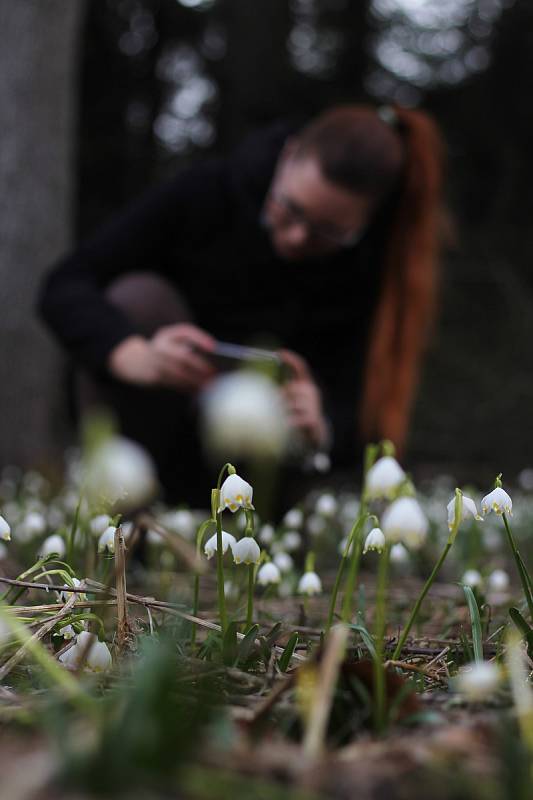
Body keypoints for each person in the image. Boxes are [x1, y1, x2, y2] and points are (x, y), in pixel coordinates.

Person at [38, 104, 446, 507]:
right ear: (288, 156)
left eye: (329, 232)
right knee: (138, 298)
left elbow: (368, 413)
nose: (297, 238)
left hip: (263, 473)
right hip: (159, 426)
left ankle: (248, 535)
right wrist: (132, 354)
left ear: (366, 222)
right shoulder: (207, 192)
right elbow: (66, 283)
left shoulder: (379, 268)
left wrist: (323, 425)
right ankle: (120, 521)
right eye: (291, 209)